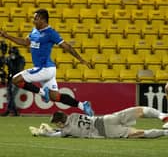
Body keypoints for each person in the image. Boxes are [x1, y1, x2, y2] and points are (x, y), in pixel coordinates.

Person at [0, 9, 94, 116]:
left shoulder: (51, 33)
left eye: (35, 18)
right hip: (47, 70)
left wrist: (81, 59)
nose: (33, 21)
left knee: (15, 79)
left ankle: (43, 93)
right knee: (55, 96)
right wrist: (7, 36)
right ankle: (83, 105)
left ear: (43, 20)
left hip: (44, 68)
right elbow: (25, 42)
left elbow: (66, 46)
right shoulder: (34, 31)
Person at [29, 106, 168, 138]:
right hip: (106, 118)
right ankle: (162, 115)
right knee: (140, 110)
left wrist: (43, 133)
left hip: (106, 132)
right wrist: (54, 130)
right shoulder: (74, 114)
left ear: (59, 123)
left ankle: (165, 132)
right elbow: (62, 129)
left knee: (140, 133)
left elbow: (58, 133)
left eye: (56, 123)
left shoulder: (67, 131)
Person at [1, 47, 25, 116]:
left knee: (11, 95)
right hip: (10, 79)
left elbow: (19, 69)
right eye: (11, 53)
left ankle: (11, 111)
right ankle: (13, 111)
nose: (12, 55)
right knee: (9, 96)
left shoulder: (21, 59)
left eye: (13, 53)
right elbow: (3, 62)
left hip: (18, 79)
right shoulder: (8, 59)